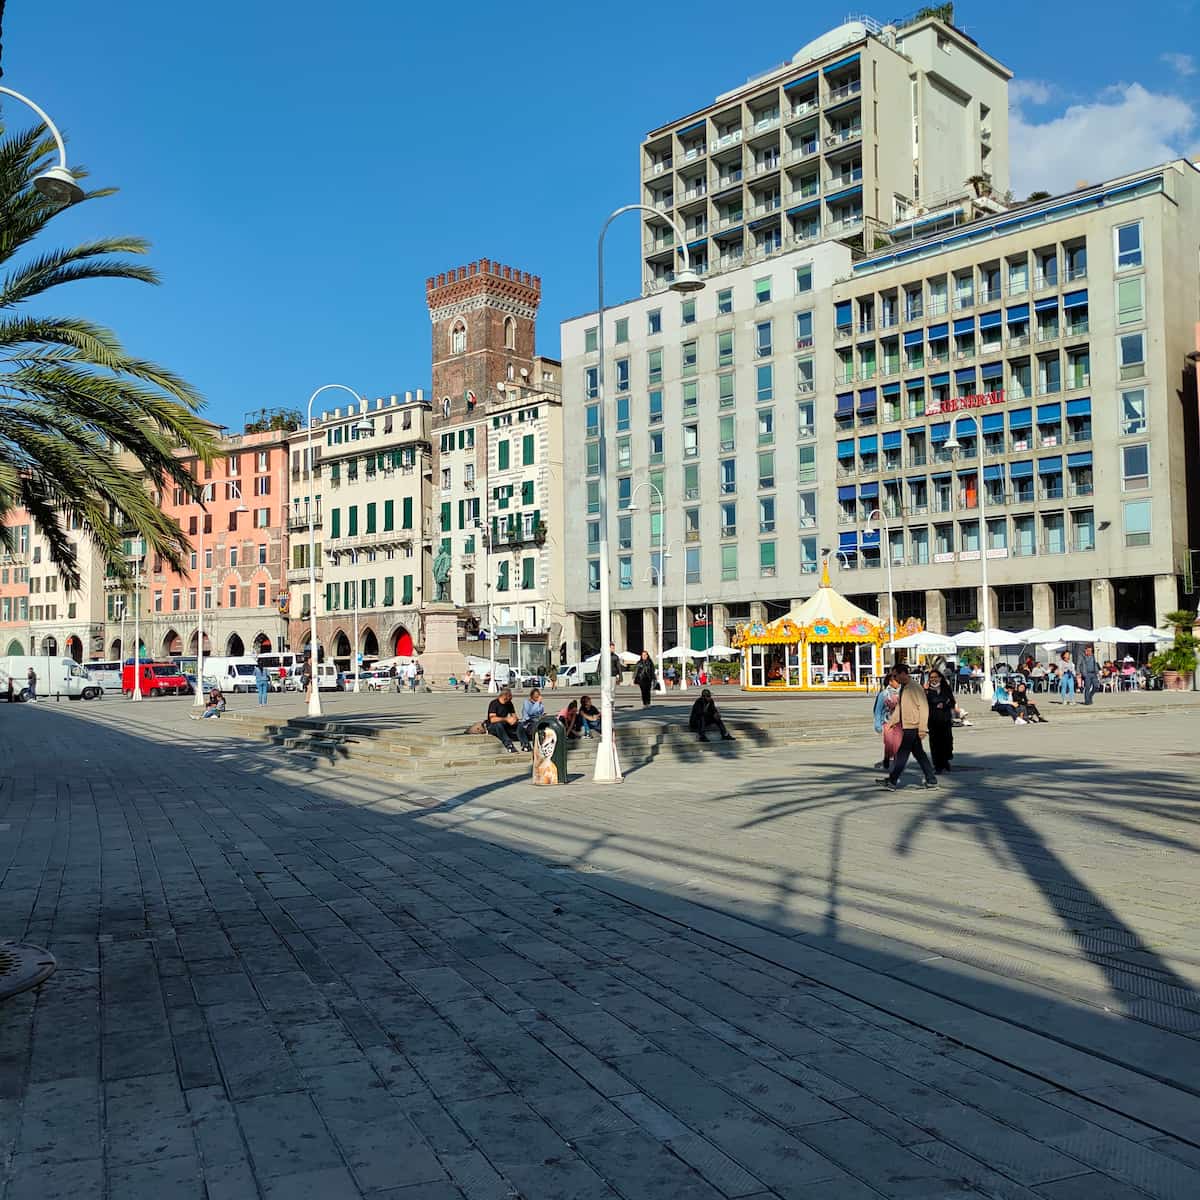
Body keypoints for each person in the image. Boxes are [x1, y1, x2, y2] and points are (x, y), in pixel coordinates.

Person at [880, 664, 937, 789]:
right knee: (919, 754)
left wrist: (922, 728)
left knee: (902, 754)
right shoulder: (904, 688)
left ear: (903, 674)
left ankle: (892, 780)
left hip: (913, 726)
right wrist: (892, 722)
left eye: (895, 675)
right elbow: (900, 708)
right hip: (907, 725)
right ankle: (931, 780)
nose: (894, 678)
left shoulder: (915, 688)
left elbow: (924, 708)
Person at [925, 668, 955, 773]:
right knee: (935, 743)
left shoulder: (945, 688)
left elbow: (952, 702)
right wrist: (924, 691)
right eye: (931, 677)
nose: (933, 679)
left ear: (940, 678)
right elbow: (924, 704)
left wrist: (945, 704)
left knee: (947, 742)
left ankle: (945, 760)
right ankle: (938, 765)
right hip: (933, 720)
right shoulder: (927, 690)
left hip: (945, 720)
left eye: (935, 677)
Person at [872, 669, 902, 771]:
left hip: (899, 723)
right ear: (890, 682)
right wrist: (878, 725)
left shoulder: (903, 693)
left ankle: (897, 764)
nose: (898, 682)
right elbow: (878, 710)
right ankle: (886, 757)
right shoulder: (883, 694)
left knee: (897, 744)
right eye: (896, 681)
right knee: (889, 743)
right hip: (887, 722)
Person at [486, 687, 529, 753]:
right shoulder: (494, 703)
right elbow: (492, 719)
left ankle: (525, 744)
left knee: (520, 724)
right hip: (493, 726)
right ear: (505, 696)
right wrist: (506, 719)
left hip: (505, 724)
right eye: (510, 696)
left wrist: (514, 720)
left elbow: (514, 716)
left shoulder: (509, 703)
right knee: (499, 725)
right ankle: (509, 745)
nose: (511, 697)